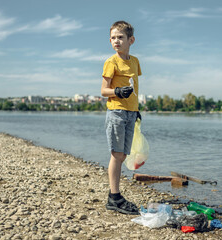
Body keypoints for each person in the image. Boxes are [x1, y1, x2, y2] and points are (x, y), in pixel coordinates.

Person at [101, 21, 142, 215]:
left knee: (123, 154)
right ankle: (114, 197)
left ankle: (115, 196)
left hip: (130, 112)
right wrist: (117, 91)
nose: (116, 41)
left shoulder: (134, 61)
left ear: (130, 40)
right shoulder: (111, 62)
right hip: (116, 111)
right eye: (113, 38)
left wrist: (136, 109)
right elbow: (103, 90)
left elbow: (135, 86)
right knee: (117, 154)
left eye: (120, 37)